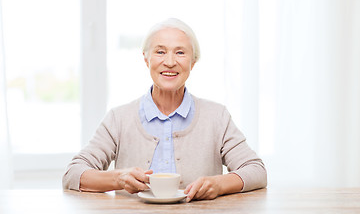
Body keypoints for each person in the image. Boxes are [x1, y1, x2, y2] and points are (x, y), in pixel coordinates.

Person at [62, 18, 267, 202]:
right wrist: (119, 178)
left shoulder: (217, 116)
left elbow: (256, 171)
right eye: (160, 52)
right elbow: (73, 173)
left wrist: (218, 184)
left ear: (192, 62)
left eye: (180, 52)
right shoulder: (119, 118)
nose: (170, 62)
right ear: (146, 59)